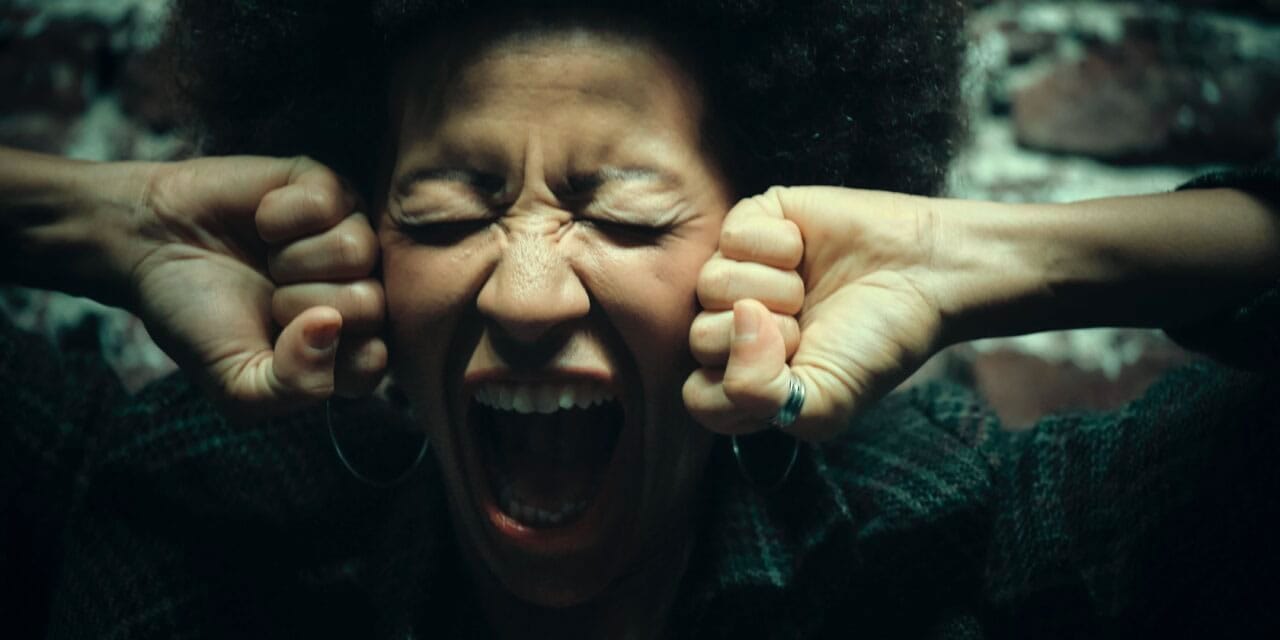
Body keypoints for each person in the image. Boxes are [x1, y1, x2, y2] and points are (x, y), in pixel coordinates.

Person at [2, 1, 1278, 637]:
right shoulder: (188, 515)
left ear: (767, 233)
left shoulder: (955, 554)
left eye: (620, 214)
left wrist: (1009, 253)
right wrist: (90, 218)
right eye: (446, 212)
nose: (526, 296)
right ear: (360, 235)